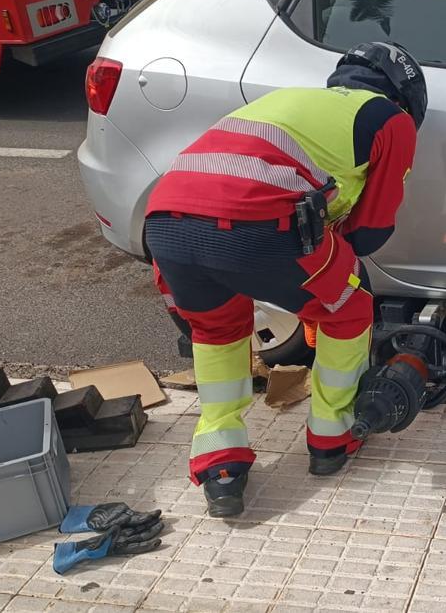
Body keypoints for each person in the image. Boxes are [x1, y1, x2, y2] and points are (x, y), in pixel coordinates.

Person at [144, 42, 426, 517]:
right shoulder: (389, 119)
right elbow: (370, 232)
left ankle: (220, 465)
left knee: (217, 331)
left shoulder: (289, 100)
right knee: (350, 306)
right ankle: (332, 436)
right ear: (407, 99)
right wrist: (328, 278)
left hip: (165, 223)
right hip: (257, 226)